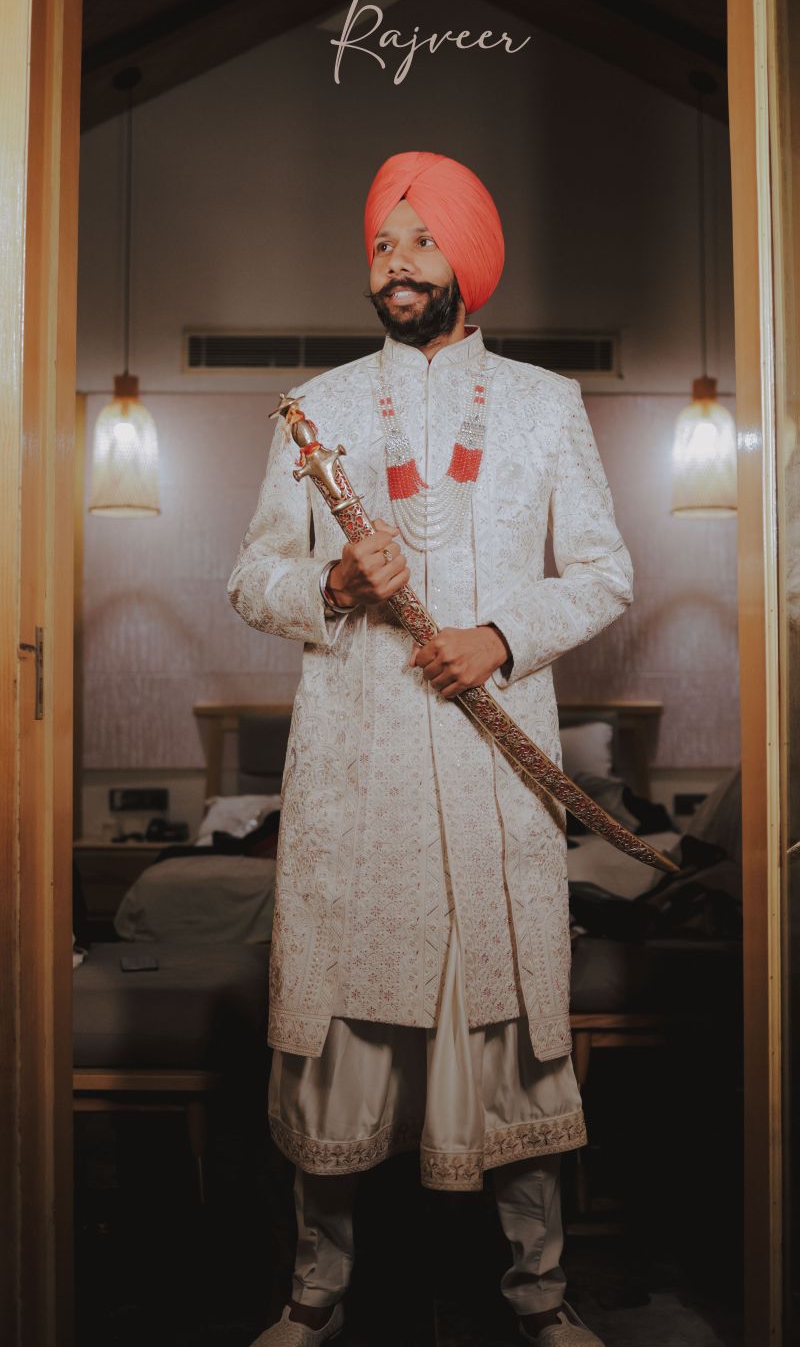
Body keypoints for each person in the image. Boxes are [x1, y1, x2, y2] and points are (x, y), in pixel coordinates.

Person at [228, 150, 634, 1346]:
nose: (395, 259)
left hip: (486, 776)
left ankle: (539, 1295)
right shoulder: (318, 405)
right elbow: (251, 578)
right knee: (334, 1042)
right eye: (380, 242)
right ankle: (314, 1296)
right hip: (357, 775)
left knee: (506, 1034)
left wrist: (500, 638)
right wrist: (334, 582)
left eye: (419, 238)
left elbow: (605, 571)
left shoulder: (548, 406)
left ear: (469, 257)